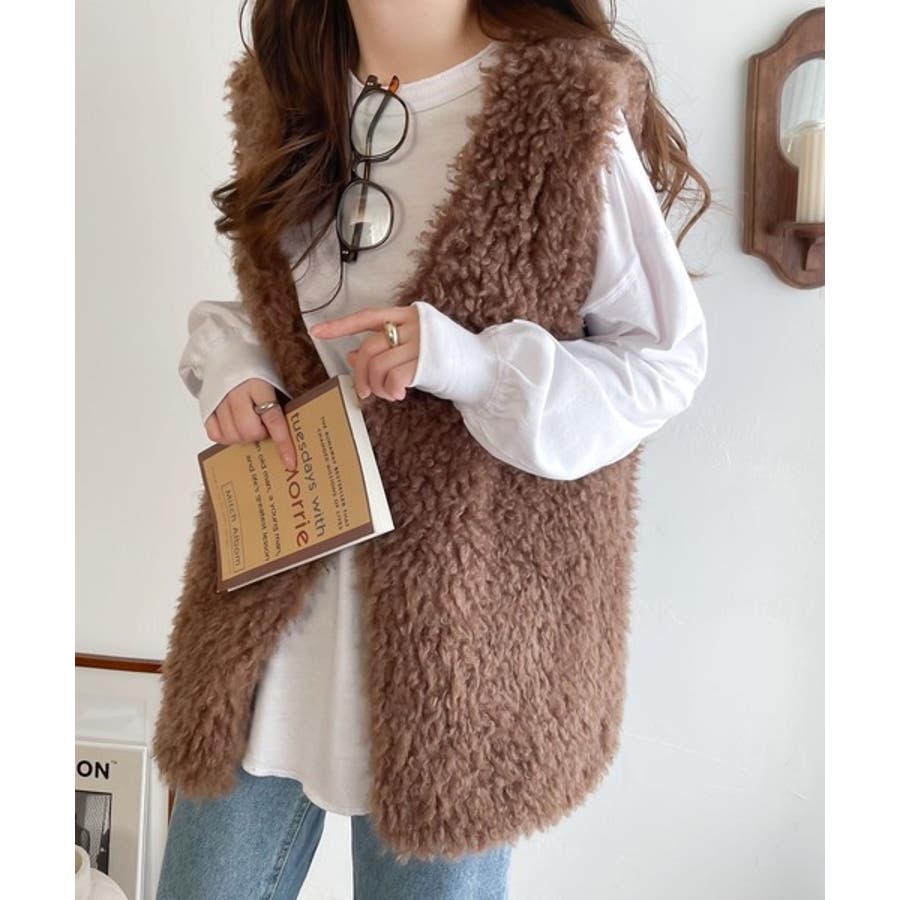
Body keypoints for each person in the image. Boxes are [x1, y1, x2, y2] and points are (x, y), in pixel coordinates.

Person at [155, 1, 711, 897]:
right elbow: (286, 316)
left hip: (463, 644)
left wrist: (472, 364)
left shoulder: (562, 107)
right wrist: (232, 367)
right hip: (275, 607)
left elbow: (662, 361)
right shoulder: (284, 87)